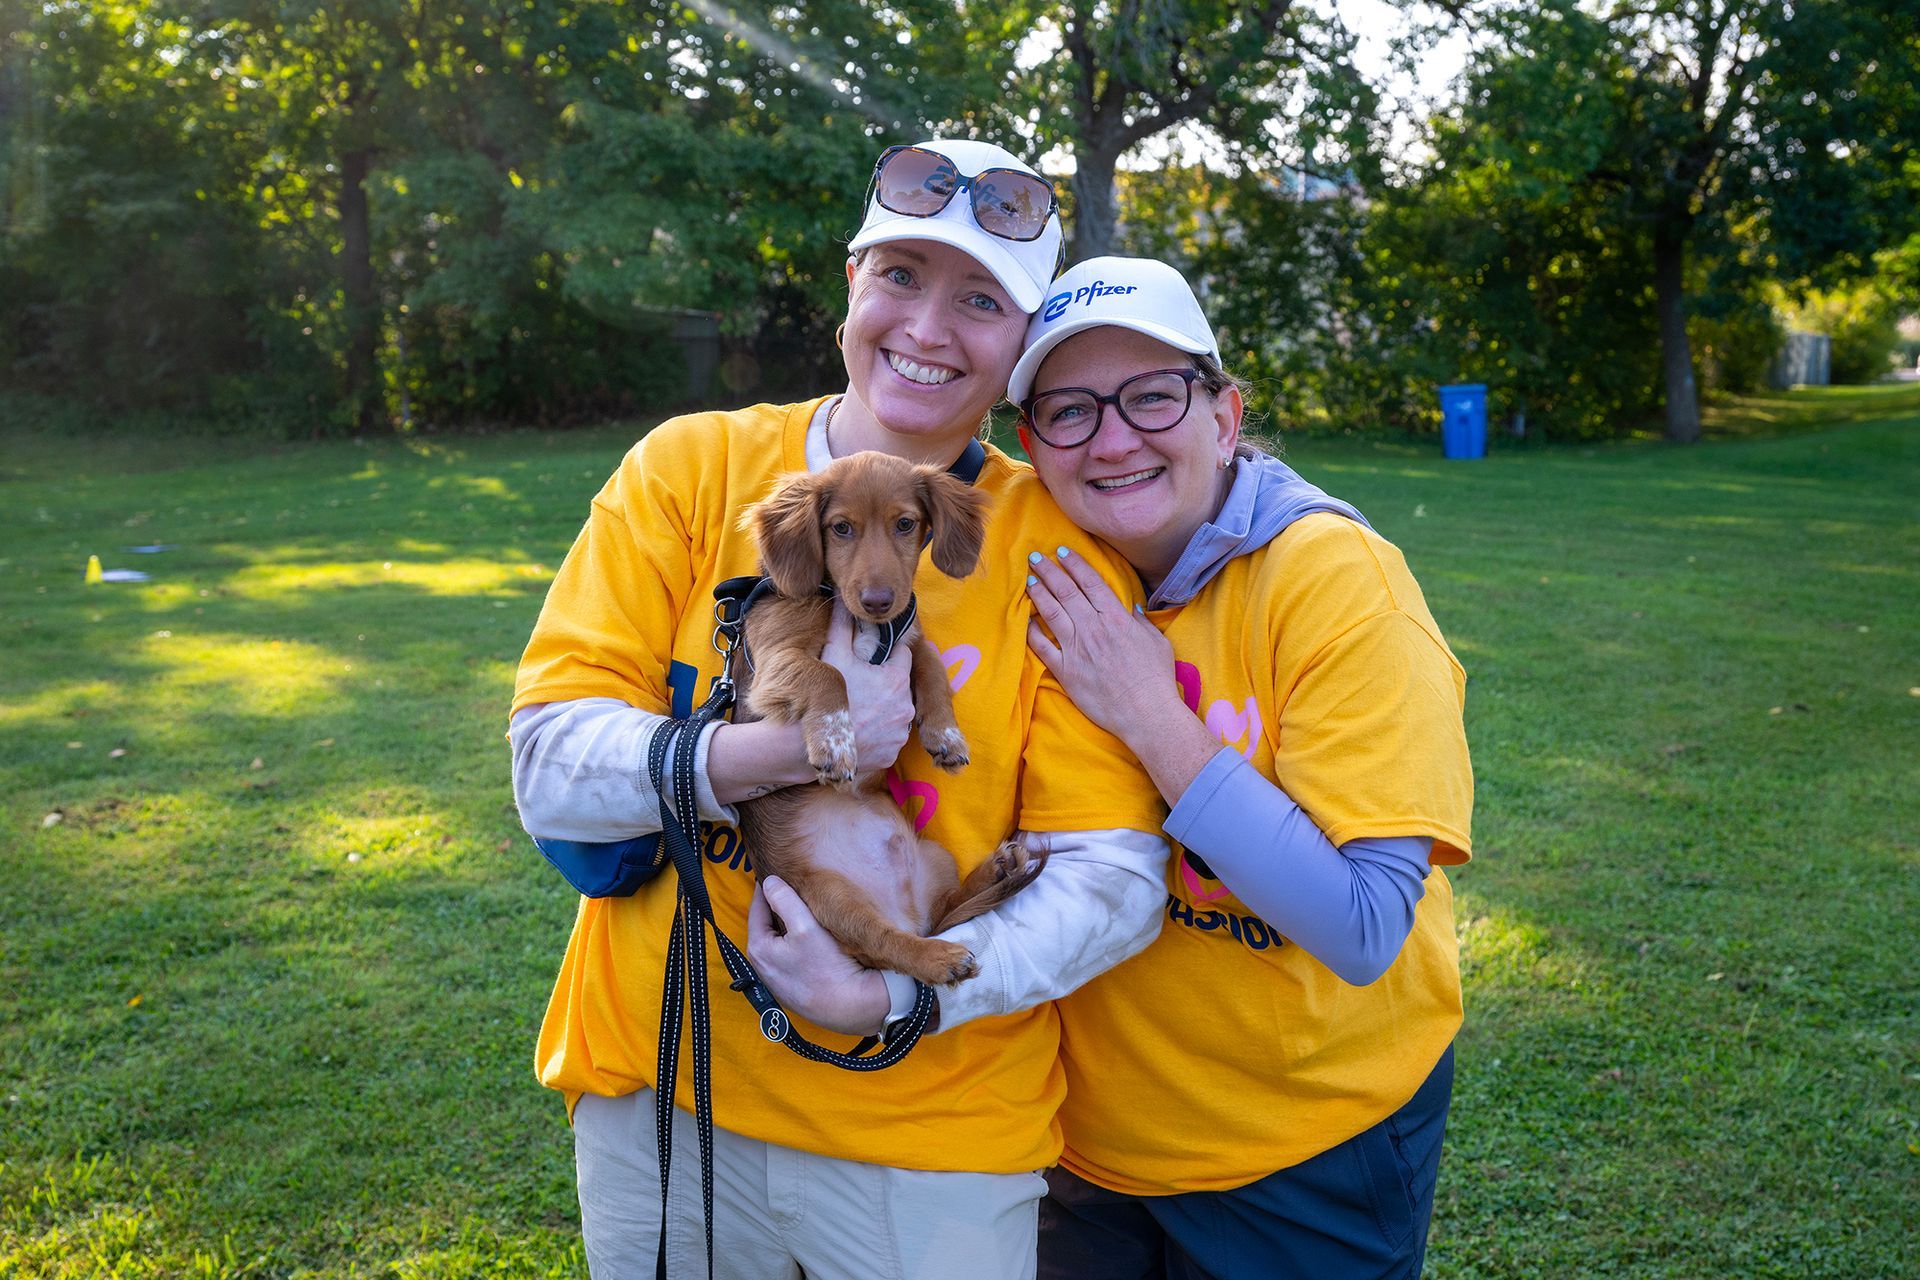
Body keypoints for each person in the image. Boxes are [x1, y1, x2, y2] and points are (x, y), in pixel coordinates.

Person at [508, 146, 1172, 1280]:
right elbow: (548, 761)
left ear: (1020, 347)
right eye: (902, 277)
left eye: (980, 300)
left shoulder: (1056, 545)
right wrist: (760, 751)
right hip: (671, 1084)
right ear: (851, 288)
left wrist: (896, 991)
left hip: (938, 1133)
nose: (928, 325)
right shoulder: (689, 470)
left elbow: (1112, 876)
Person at [1011, 256, 1474, 1279]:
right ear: (1029, 444)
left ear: (1224, 416)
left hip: (1305, 1149)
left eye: (1152, 395)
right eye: (1070, 410)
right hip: (1081, 1143)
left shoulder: (1338, 584)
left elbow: (1362, 925)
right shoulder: (1040, 572)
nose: (1115, 436)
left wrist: (1151, 716)